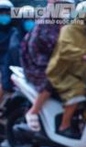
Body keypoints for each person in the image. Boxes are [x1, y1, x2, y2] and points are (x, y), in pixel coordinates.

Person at [45, 0, 86, 138]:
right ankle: (64, 126)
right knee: (78, 91)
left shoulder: (85, 34)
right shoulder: (68, 29)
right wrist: (84, 56)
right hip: (62, 73)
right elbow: (65, 49)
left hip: (77, 74)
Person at [20, 0, 75, 132]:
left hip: (53, 62)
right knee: (51, 80)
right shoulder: (46, 23)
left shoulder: (62, 23)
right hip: (36, 64)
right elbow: (41, 48)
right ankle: (33, 111)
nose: (65, 11)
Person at [3, 5, 35, 100]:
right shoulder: (16, 41)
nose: (30, 22)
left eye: (32, 19)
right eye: (27, 20)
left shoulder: (36, 36)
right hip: (19, 80)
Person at [0, 0, 17, 103]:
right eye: (1, 13)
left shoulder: (14, 32)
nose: (4, 16)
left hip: (8, 66)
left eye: (7, 14)